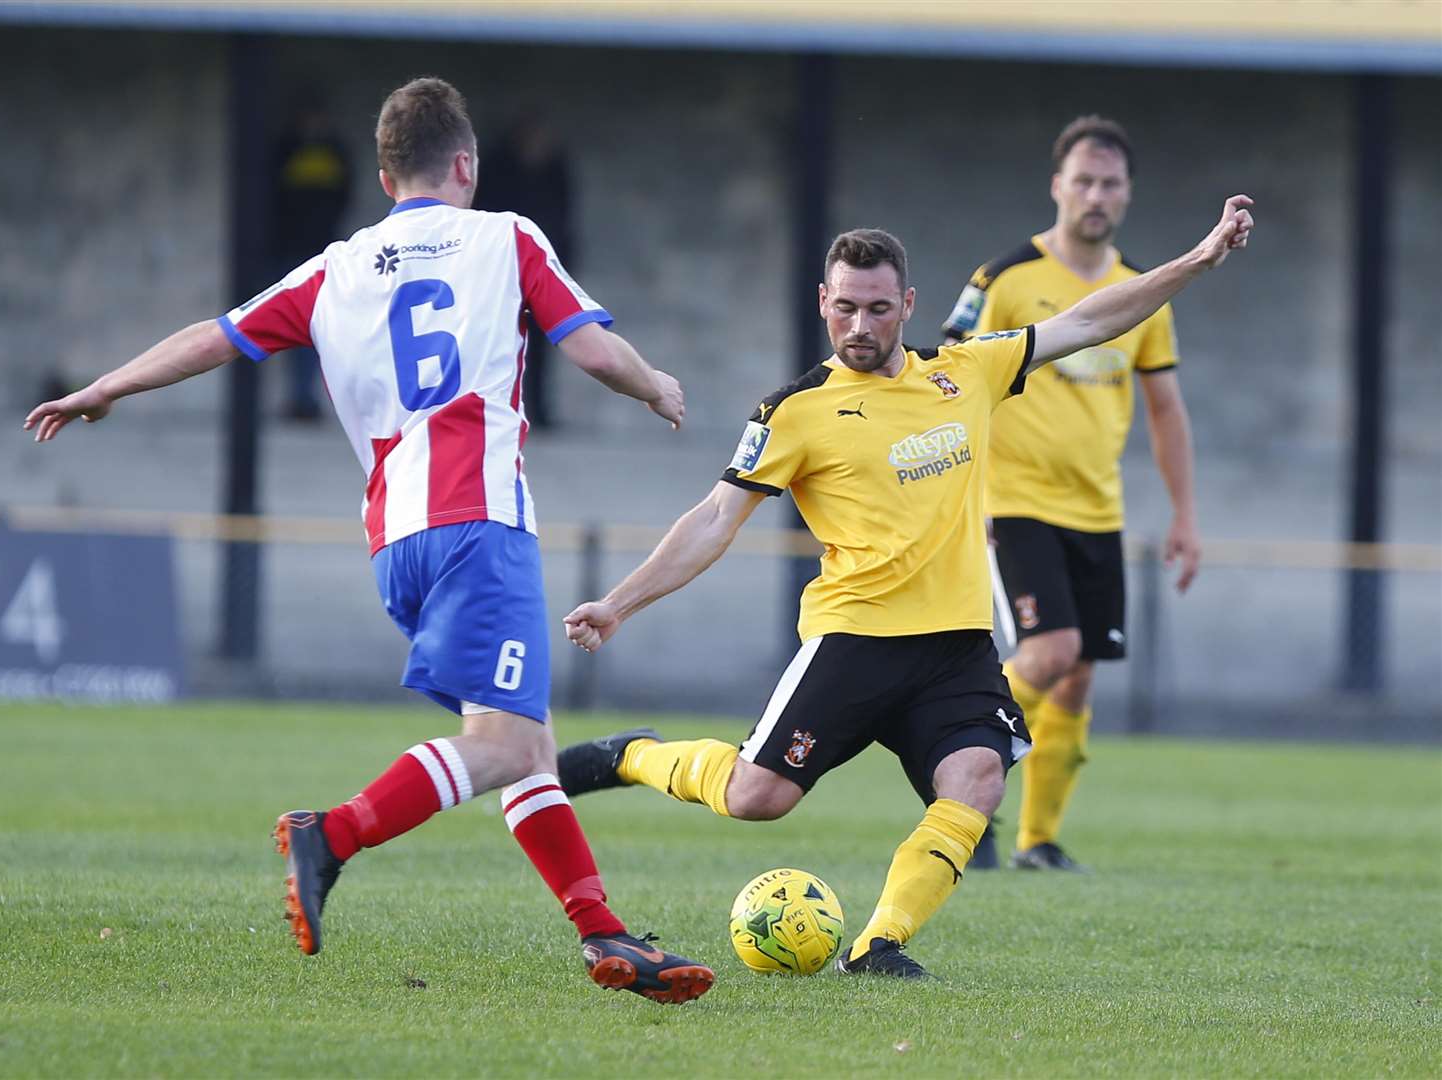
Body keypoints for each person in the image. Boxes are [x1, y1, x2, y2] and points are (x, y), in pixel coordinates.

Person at [22, 77, 713, 1006]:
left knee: (523, 745)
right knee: (506, 747)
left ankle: (602, 933)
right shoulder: (507, 236)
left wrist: (105, 386)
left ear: (386, 177)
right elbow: (589, 350)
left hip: (396, 540)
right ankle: (333, 833)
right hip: (478, 522)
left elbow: (211, 338)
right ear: (466, 163)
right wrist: (656, 385)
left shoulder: (335, 267)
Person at [557, 196, 1252, 979]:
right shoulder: (793, 411)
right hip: (854, 640)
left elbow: (1091, 321)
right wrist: (618, 603)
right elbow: (716, 519)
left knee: (977, 777)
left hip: (955, 647)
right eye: (845, 307)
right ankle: (634, 755)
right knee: (758, 799)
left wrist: (1195, 262)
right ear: (823, 303)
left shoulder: (970, 370)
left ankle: (878, 945)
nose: (859, 325)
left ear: (908, 306)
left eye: (878, 308)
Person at [941, 116, 1199, 872]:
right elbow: (946, 375)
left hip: (1099, 511)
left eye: (1110, 183)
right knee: (1048, 652)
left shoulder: (1142, 294)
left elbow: (1166, 409)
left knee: (1079, 671)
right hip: (1013, 501)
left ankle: (1037, 839)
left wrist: (1185, 513)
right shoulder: (1006, 278)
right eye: (1082, 180)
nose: (1095, 194)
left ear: (1127, 194)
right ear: (1057, 186)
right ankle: (962, 785)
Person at [475, 115, 575, 431]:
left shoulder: (554, 170)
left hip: (542, 268)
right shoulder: (500, 171)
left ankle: (539, 411)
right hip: (504, 268)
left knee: (544, 345)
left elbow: (564, 218)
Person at [270, 94, 352, 421]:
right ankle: (298, 398)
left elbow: (343, 194)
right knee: (289, 328)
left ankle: (308, 400)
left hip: (320, 250)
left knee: (317, 332)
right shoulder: (286, 150)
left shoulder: (335, 152)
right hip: (289, 249)